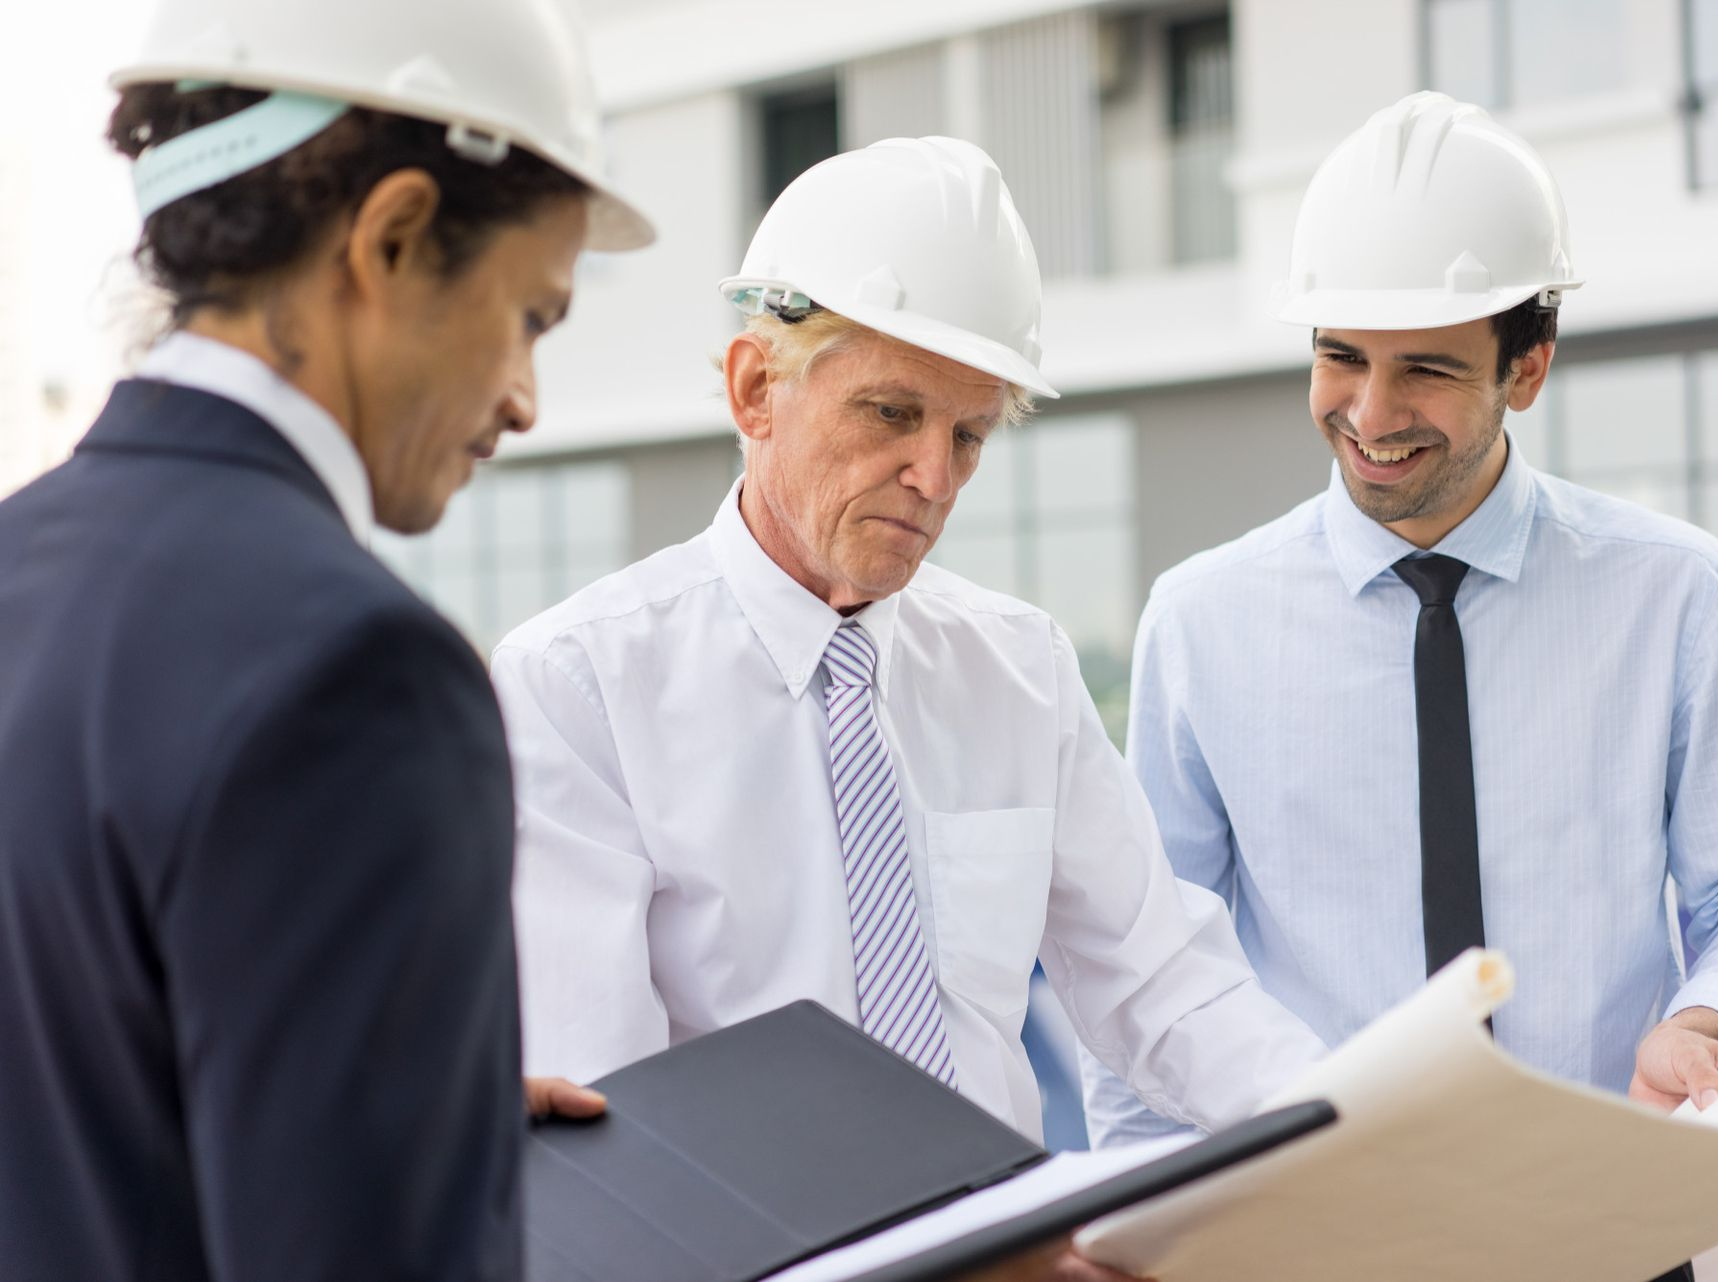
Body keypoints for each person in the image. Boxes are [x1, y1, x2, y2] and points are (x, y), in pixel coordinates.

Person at [492, 136, 1325, 1153]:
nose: (933, 475)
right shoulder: (578, 687)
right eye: (890, 414)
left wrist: (1357, 1120)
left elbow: (1158, 983)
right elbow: (601, 1110)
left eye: (968, 435)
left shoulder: (1019, 668)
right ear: (755, 389)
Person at [0, 1, 652, 1279]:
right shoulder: (358, 674)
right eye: (529, 317)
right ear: (395, 237)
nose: (523, 401)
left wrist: (384, 1084)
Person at [1080, 89, 1718, 1180]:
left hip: (1596, 1218)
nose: (1369, 415)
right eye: (1340, 357)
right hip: (1320, 1227)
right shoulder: (1200, 622)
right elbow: (1152, 973)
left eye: (1423, 366)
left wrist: (1700, 1022)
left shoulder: (1675, 596)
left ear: (1527, 364)